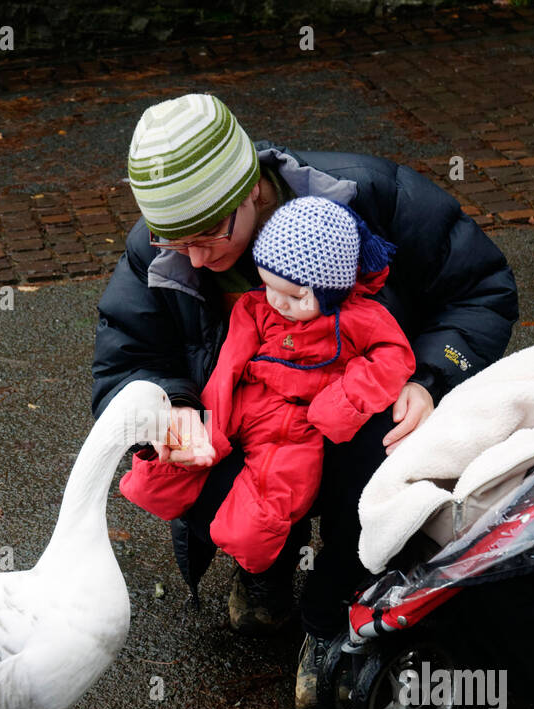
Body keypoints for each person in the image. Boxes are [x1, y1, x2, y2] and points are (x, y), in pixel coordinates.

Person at [91, 93, 518, 709]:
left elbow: (481, 289)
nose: (195, 257)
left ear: (252, 190)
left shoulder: (371, 194)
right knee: (192, 462)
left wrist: (429, 379)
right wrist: (170, 406)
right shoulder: (162, 245)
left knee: (368, 477)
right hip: (256, 419)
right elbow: (127, 351)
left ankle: (336, 615)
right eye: (173, 239)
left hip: (362, 407)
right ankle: (264, 569)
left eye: (211, 233)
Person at [118, 196, 415, 582]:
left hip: (300, 419)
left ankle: (256, 564)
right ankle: (155, 484)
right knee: (193, 444)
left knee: (278, 483)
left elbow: (393, 357)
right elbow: (230, 362)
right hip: (246, 397)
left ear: (331, 289)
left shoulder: (364, 319)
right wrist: (214, 411)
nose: (279, 302)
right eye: (269, 286)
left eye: (295, 296)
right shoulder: (258, 306)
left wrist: (342, 403)